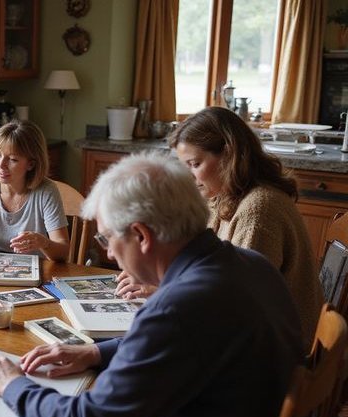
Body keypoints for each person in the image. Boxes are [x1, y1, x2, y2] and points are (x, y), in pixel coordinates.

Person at [0, 153, 303, 417]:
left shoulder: (175, 309)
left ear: (141, 235)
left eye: (105, 240)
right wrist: (95, 351)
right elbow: (184, 344)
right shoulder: (251, 263)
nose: (110, 255)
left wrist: (11, 384)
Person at [117, 106, 322, 345]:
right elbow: (205, 271)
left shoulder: (259, 209)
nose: (188, 177)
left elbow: (237, 303)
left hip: (278, 351)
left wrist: (163, 292)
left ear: (229, 155)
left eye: (194, 164)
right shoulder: (222, 197)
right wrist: (157, 280)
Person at [0, 120, 69, 261]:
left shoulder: (46, 191)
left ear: (31, 164)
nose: (1, 165)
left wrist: (43, 243)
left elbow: (63, 251)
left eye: (13, 159)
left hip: (37, 269)